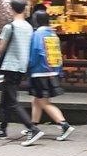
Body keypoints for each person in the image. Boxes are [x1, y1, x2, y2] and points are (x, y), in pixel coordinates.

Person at [0, 0, 46, 145]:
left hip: (10, 66)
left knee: (12, 101)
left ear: (12, 9)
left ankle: (32, 128)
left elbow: (1, 48)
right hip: (22, 66)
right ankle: (2, 128)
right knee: (5, 99)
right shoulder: (29, 27)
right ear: (24, 9)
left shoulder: (10, 27)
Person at [26, 10, 74, 141]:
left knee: (44, 102)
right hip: (51, 71)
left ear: (36, 20)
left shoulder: (37, 34)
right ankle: (33, 126)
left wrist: (28, 67)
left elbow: (35, 52)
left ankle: (64, 125)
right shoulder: (52, 34)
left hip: (39, 71)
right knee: (37, 100)